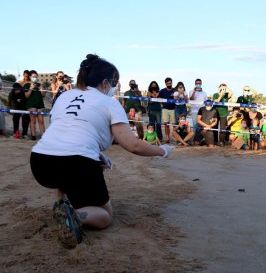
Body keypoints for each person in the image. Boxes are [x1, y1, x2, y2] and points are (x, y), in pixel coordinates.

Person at [29, 54, 174, 248]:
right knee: (105, 216)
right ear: (106, 83)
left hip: (40, 162)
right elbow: (132, 145)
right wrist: (162, 150)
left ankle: (62, 202)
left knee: (63, 161)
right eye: (115, 83)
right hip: (76, 164)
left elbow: (66, 134)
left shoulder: (65, 96)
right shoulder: (109, 102)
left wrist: (95, 153)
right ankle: (76, 215)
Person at [24, 70, 46, 140]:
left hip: (40, 104)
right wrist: (30, 88)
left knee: (41, 121)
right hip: (31, 104)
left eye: (36, 76)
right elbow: (26, 96)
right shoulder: (26, 85)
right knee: (33, 121)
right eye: (33, 77)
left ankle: (43, 136)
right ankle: (33, 135)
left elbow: (43, 95)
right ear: (30, 77)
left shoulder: (40, 85)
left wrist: (41, 90)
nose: (35, 78)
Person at [159, 77, 175, 143]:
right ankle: (167, 138)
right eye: (168, 83)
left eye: (170, 83)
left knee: (174, 124)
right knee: (166, 124)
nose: (169, 84)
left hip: (174, 109)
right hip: (165, 109)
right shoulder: (162, 91)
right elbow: (159, 98)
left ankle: (175, 138)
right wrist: (162, 104)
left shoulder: (174, 90)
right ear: (165, 83)